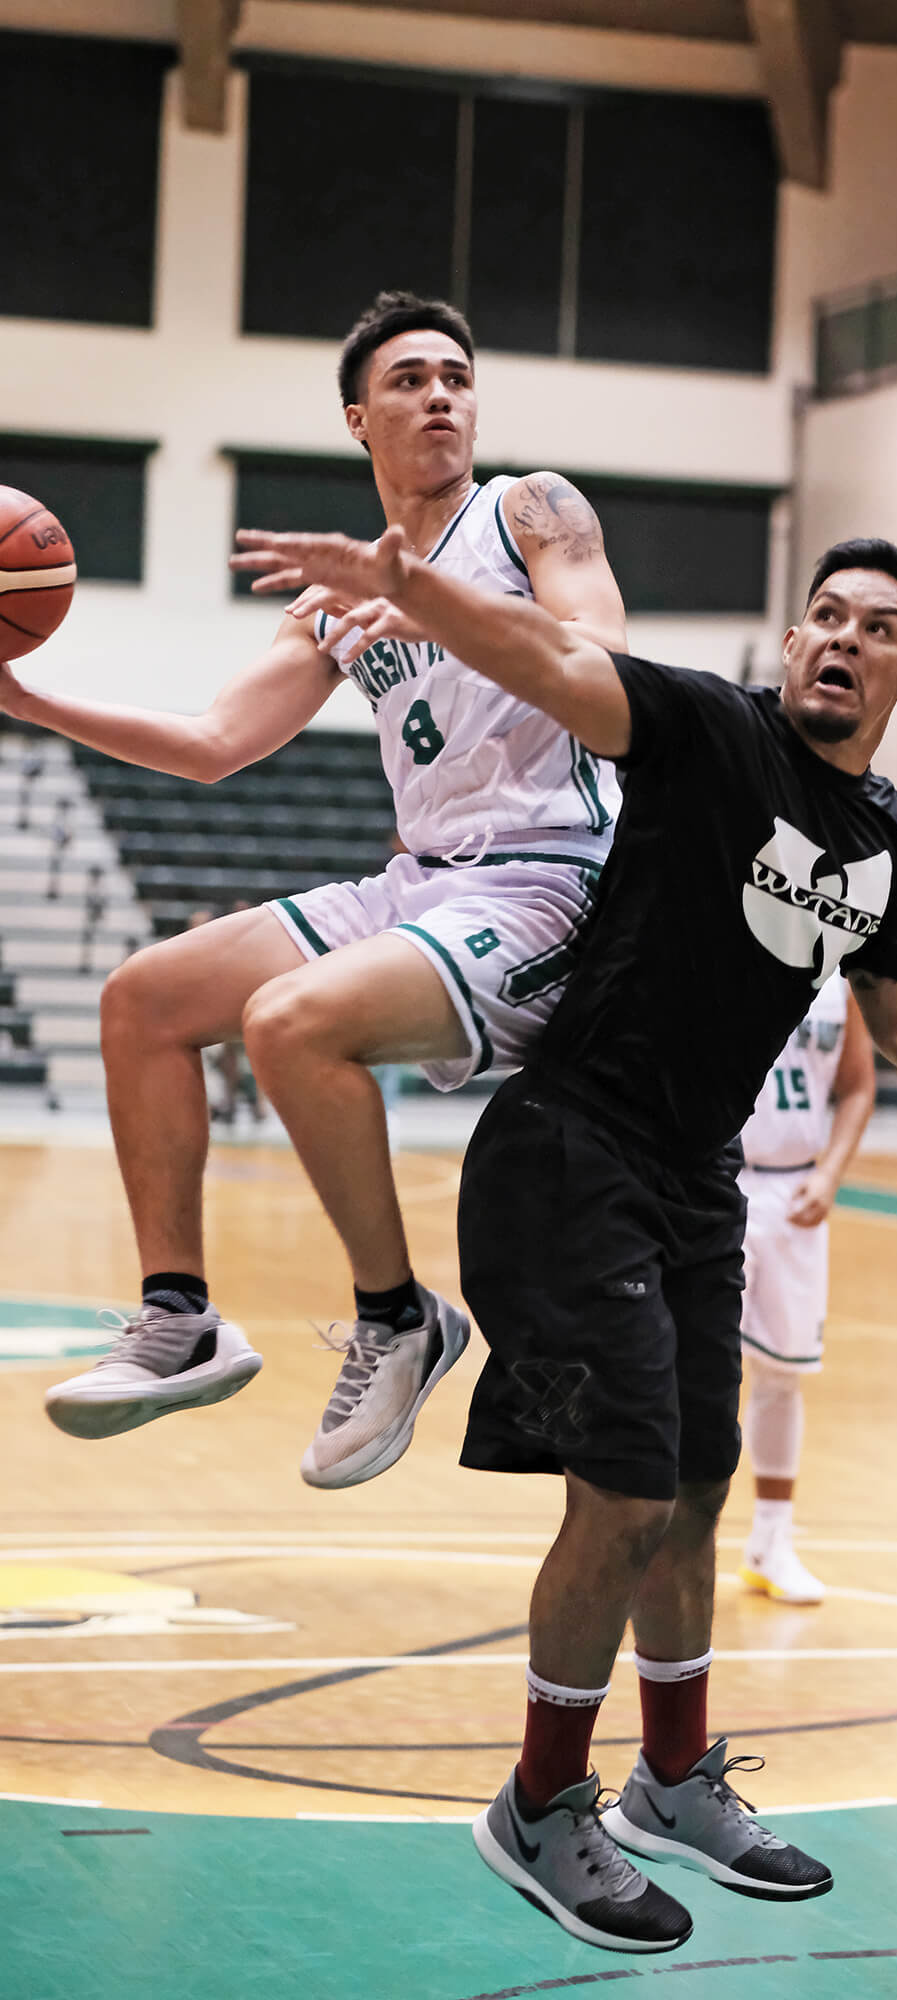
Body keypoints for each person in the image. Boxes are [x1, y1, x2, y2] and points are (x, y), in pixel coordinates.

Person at [231, 520, 897, 1955]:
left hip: (695, 1183)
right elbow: (552, 656)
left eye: (877, 630)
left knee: (689, 1494)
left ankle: (674, 1780)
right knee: (616, 1500)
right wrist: (408, 587)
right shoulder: (705, 734)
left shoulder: (891, 842)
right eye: (826, 618)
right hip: (568, 1152)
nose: (845, 641)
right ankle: (542, 1807)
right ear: (791, 644)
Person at [6, 289, 627, 1490]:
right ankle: (179, 1315)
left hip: (554, 879)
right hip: (425, 882)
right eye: (409, 379)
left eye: (456, 374)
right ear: (358, 418)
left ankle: (399, 1316)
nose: (440, 393)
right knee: (143, 998)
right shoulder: (347, 589)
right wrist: (30, 702)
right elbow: (210, 740)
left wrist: (427, 600)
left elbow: (604, 660)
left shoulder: (531, 510)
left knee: (290, 1021)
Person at [737, 976, 876, 1605]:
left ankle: (772, 1540)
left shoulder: (840, 988)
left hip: (796, 1191)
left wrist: (830, 1174)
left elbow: (858, 1088)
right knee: (696, 1368)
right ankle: (665, 1534)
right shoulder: (728, 957)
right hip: (719, 1182)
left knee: (781, 1374)